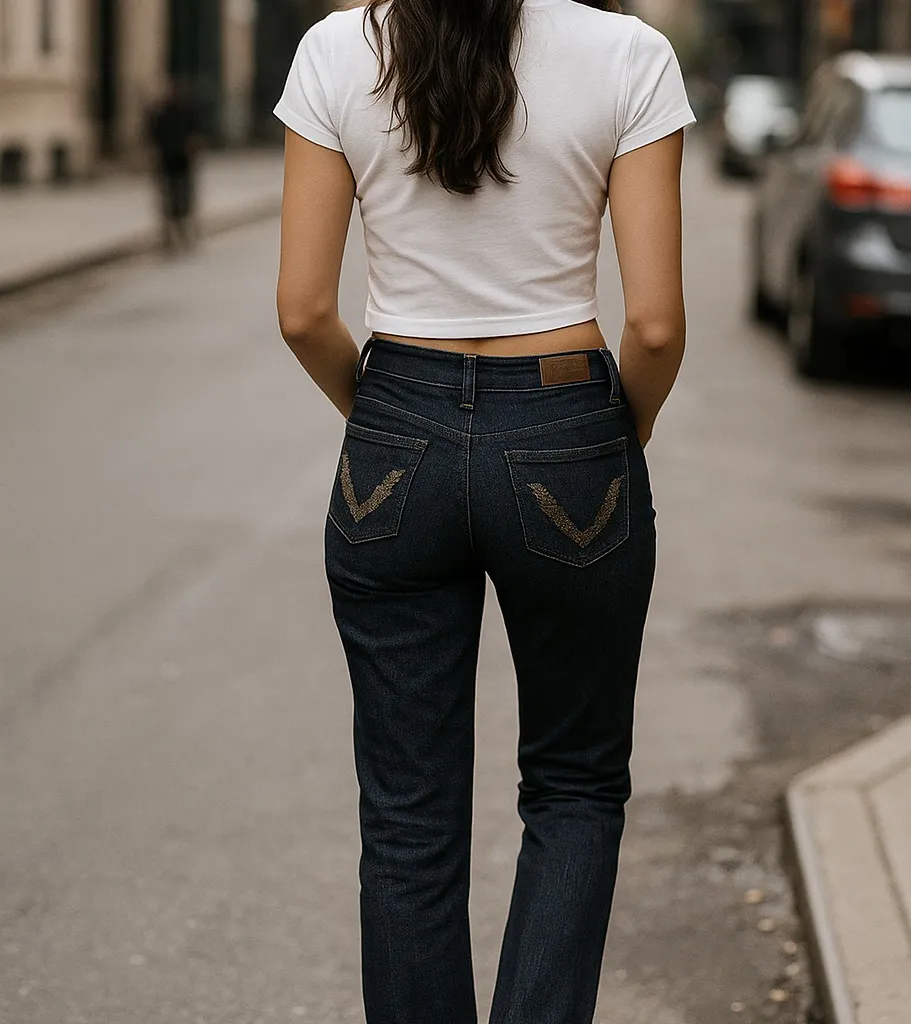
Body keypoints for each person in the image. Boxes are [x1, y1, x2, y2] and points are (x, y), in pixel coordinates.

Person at [274, 0, 693, 1018]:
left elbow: (303, 311)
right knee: (574, 785)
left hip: (395, 426)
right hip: (565, 415)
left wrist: (386, 423)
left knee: (407, 816)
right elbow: (652, 322)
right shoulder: (629, 56)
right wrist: (601, 442)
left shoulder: (337, 51)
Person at [147, 79, 202, 251]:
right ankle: (172, 234)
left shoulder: (185, 112)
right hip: (168, 161)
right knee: (170, 199)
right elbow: (154, 134)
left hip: (181, 162)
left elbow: (195, 134)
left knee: (182, 198)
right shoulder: (162, 113)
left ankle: (181, 232)